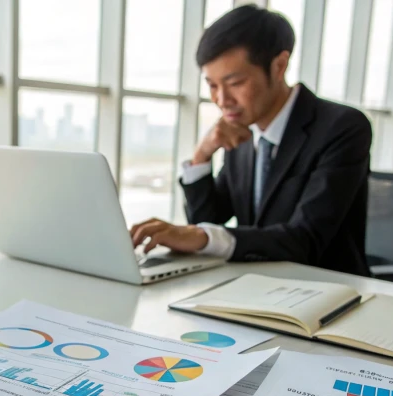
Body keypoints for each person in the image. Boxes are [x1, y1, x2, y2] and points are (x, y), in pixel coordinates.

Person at [129, 4, 372, 277]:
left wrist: (202, 236)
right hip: (257, 285)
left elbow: (306, 239)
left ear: (279, 66)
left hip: (329, 290)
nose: (222, 100)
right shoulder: (242, 132)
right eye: (212, 85)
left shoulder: (341, 127)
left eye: (235, 83)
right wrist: (202, 155)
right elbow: (209, 220)